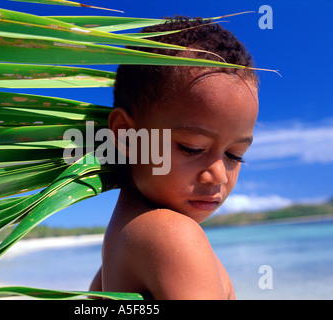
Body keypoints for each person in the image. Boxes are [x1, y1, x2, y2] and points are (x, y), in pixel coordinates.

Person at [89, 16, 259, 300]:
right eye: (192, 148)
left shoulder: (108, 263)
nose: (219, 174)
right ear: (127, 136)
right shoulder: (173, 236)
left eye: (234, 155)